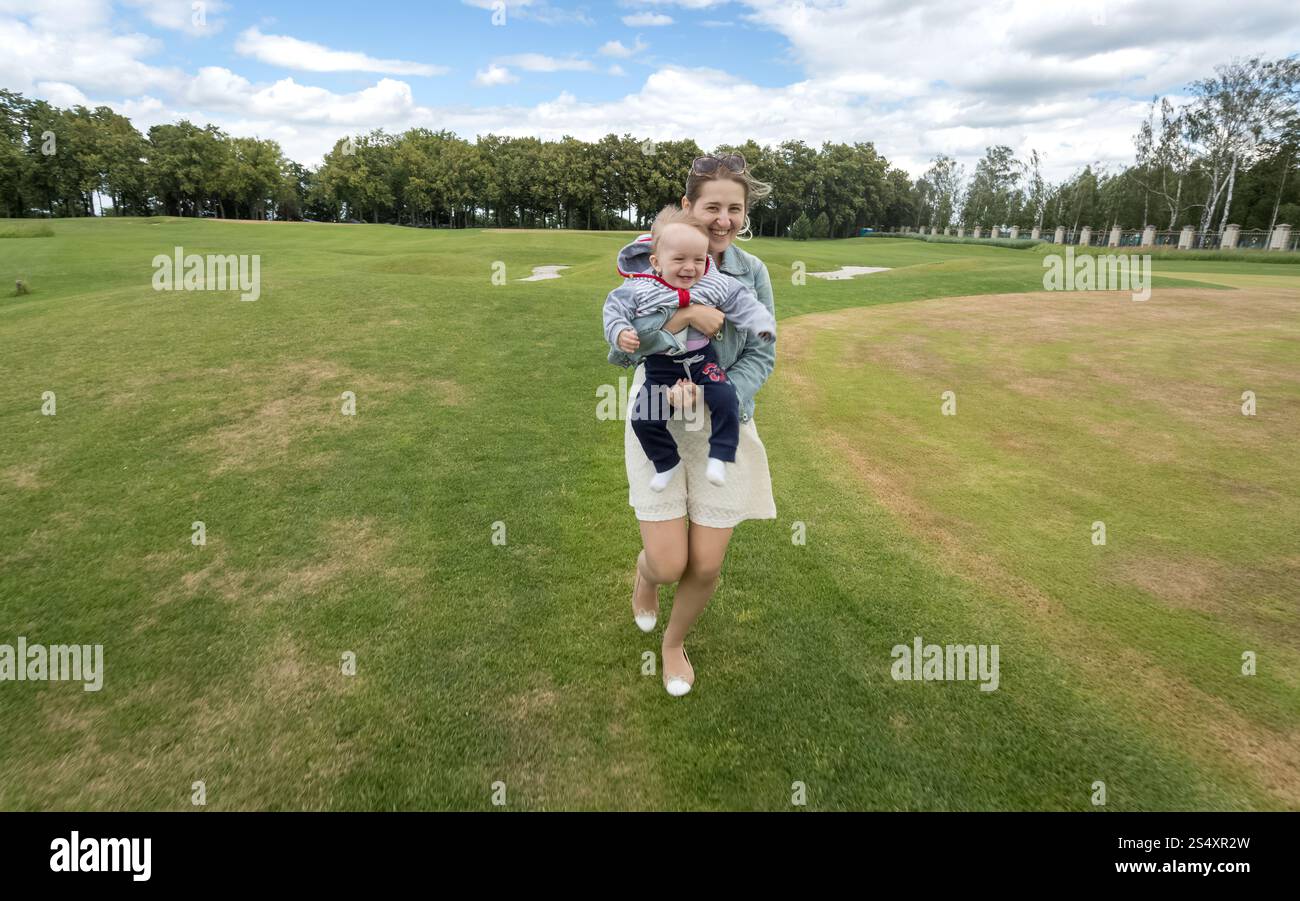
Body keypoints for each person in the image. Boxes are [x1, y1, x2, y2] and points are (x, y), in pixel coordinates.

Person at [605, 152, 777, 697]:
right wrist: (683, 319)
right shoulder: (650, 262)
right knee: (667, 559)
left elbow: (760, 356)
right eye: (712, 206)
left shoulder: (751, 273)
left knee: (703, 564)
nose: (723, 219)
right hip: (658, 411)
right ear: (688, 207)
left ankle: (673, 644)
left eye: (735, 209)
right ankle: (646, 578)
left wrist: (710, 392)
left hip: (720, 418)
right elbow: (625, 348)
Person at [603, 204, 776, 492]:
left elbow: (741, 300)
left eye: (698, 259)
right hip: (661, 367)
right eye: (680, 259)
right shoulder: (642, 287)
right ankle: (666, 461)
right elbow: (614, 309)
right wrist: (619, 331)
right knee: (643, 419)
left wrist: (761, 322)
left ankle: (720, 455)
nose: (690, 267)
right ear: (657, 262)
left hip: (701, 360)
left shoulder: (712, 282)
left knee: (726, 397)